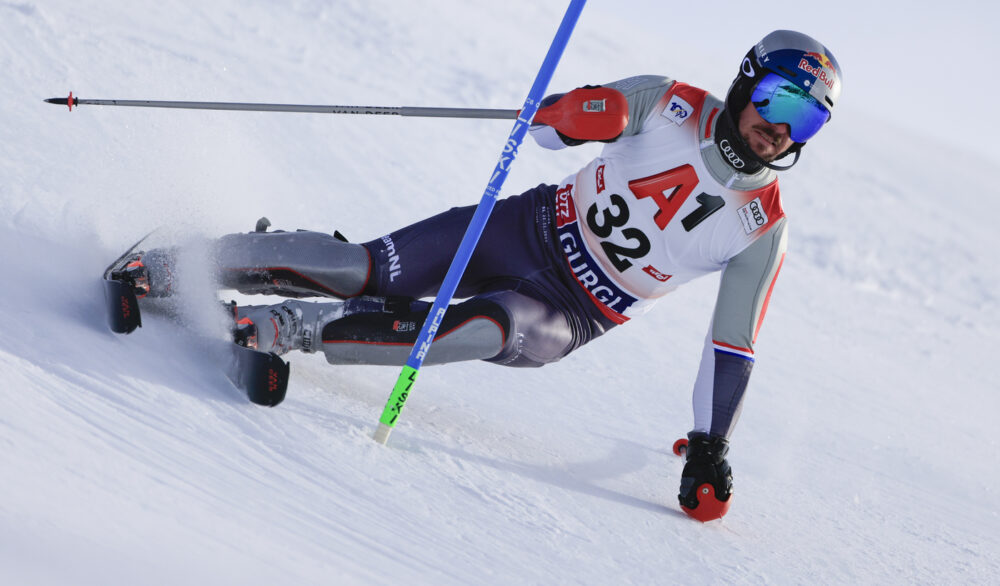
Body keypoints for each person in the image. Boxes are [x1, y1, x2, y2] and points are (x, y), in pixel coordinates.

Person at [120, 30, 842, 521]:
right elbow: (551, 128)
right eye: (779, 101)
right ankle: (174, 263)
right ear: (748, 83)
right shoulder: (672, 102)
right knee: (361, 267)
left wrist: (709, 443)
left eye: (805, 122)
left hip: (570, 309)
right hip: (522, 228)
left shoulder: (762, 226)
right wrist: (585, 112)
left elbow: (733, 345)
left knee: (473, 329)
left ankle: (286, 328)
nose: (781, 130)